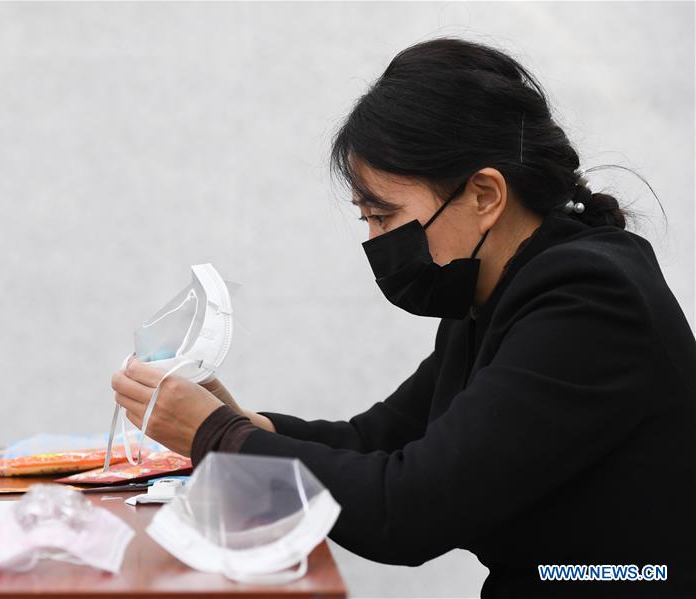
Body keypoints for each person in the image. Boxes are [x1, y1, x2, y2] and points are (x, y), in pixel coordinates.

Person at [110, 37, 696, 598]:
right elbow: (376, 442)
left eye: (384, 217)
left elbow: (409, 509)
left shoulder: (586, 303)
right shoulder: (495, 291)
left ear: (485, 194)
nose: (375, 241)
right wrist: (242, 423)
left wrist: (217, 435)